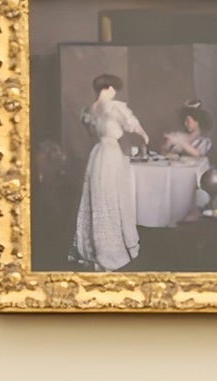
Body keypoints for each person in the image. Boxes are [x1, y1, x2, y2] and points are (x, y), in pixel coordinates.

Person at [73, 73, 148, 272]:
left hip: (98, 154)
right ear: (108, 88)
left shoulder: (90, 109)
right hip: (110, 154)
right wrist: (144, 135)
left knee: (101, 197)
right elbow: (131, 124)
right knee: (110, 198)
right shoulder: (113, 107)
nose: (115, 92)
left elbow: (92, 133)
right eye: (114, 88)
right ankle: (109, 249)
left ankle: (98, 247)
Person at [159, 101, 215, 215]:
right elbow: (163, 151)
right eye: (184, 121)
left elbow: (198, 154)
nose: (186, 124)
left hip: (192, 179)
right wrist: (168, 144)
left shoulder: (203, 140)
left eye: (188, 121)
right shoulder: (180, 135)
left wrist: (179, 142)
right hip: (175, 175)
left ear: (197, 122)